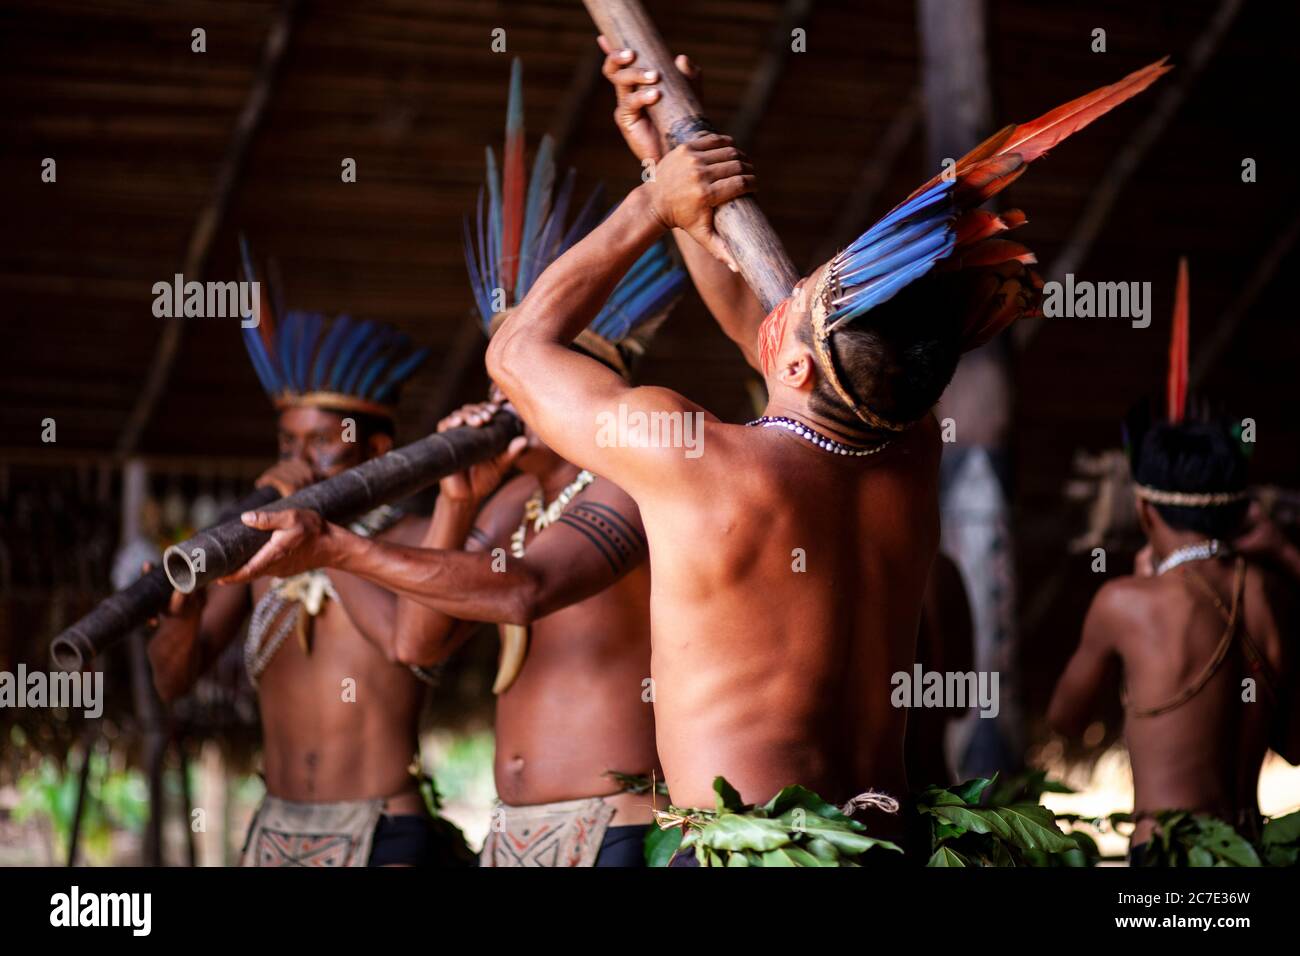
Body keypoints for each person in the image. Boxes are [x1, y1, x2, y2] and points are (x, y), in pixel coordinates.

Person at [222, 60, 687, 866]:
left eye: (525, 377)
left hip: (621, 827)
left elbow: (521, 591)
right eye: (500, 377)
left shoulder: (626, 485)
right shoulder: (515, 505)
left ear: (585, 384)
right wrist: (460, 503)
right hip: (517, 837)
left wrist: (337, 545)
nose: (502, 395)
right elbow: (420, 643)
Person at [148, 269, 472, 867]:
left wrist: (324, 537)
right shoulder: (255, 557)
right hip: (276, 828)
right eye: (288, 446)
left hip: (386, 833)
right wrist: (181, 619)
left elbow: (407, 645)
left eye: (320, 442)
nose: (300, 462)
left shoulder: (414, 543)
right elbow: (171, 683)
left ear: (376, 451)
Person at [1049, 260, 1297, 865]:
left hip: (1169, 859)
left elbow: (1063, 720)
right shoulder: (1268, 589)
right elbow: (1293, 744)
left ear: (1143, 513)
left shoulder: (1126, 604)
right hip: (1252, 851)